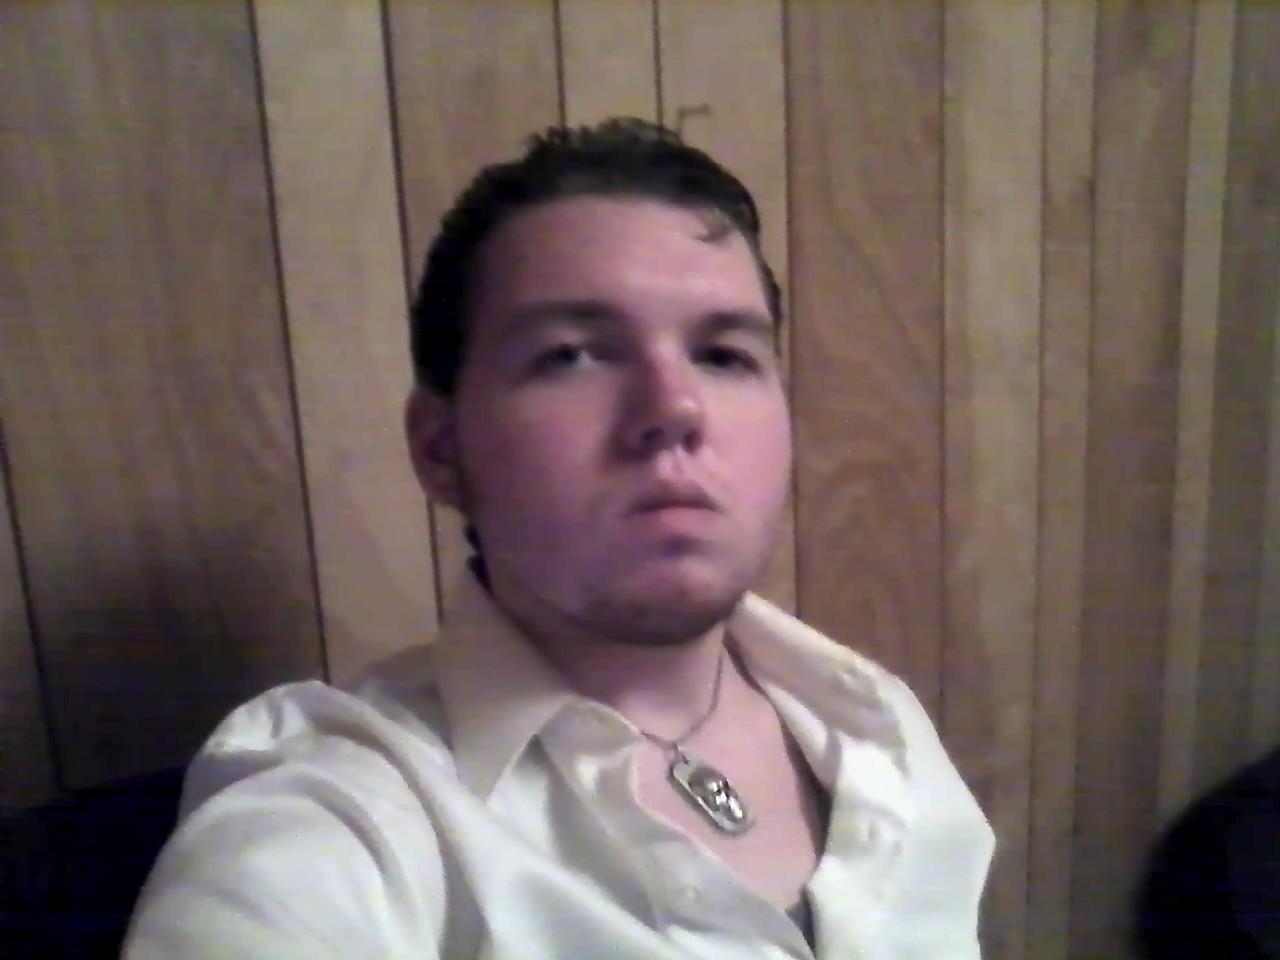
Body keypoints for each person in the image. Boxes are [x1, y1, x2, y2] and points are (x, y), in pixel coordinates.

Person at [124, 119, 994, 959]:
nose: (675, 407)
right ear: (442, 450)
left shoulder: (874, 723)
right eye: (572, 354)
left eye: (724, 355)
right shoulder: (341, 824)